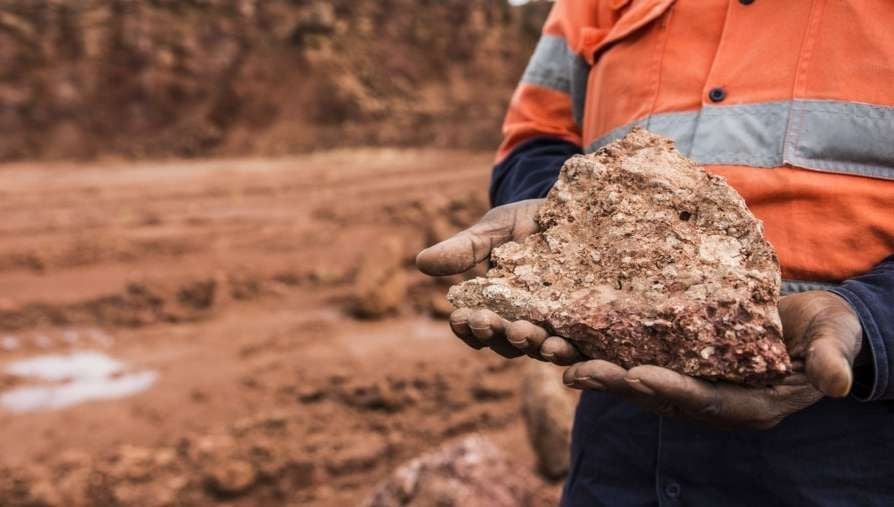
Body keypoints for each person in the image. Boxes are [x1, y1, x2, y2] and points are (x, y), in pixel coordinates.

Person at [417, 1, 894, 505]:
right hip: (619, 425)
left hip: (853, 431)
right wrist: (562, 228)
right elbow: (536, 135)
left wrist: (871, 319)